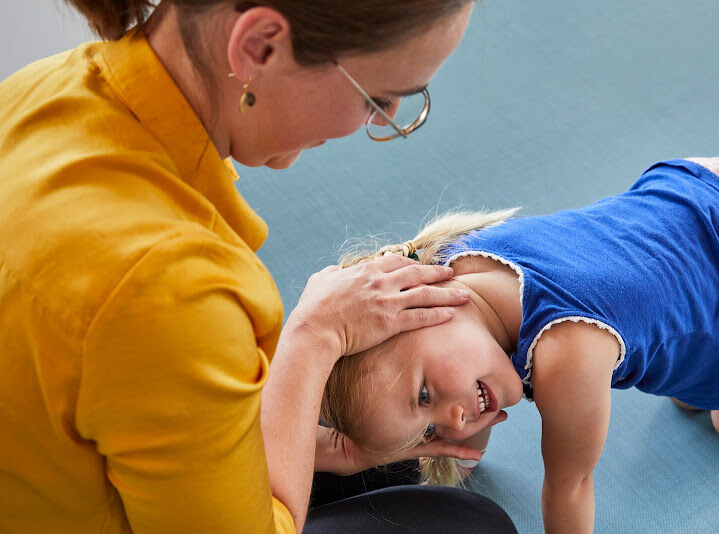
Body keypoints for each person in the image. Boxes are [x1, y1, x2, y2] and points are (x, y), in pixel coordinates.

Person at [0, 1, 518, 533]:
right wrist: (316, 334)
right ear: (259, 46)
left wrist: (327, 445)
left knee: (390, 446)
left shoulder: (41, 88)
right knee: (470, 523)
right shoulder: (169, 289)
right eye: (378, 100)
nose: (373, 125)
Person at [320, 156, 719, 533]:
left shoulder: (568, 355)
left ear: (424, 311)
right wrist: (439, 430)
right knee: (689, 395)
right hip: (704, 186)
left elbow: (570, 485)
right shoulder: (451, 266)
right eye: (428, 430)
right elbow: (461, 386)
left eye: (424, 397)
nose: (452, 421)